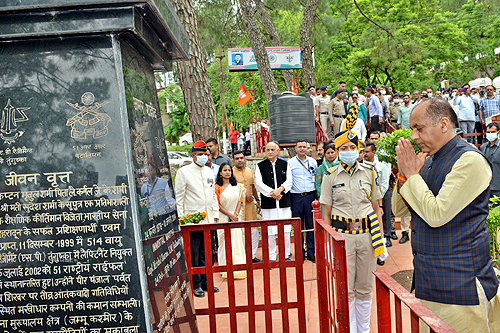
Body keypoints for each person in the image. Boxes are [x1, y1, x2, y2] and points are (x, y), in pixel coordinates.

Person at [392, 98, 500, 333]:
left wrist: (412, 176)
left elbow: (436, 215)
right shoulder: (429, 162)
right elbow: (399, 211)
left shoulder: (469, 160)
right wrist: (404, 176)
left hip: (461, 289)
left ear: (443, 124)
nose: (413, 137)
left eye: (418, 128)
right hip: (428, 284)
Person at [320, 105, 385, 333]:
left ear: (358, 149)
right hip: (343, 238)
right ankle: (349, 328)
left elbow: (377, 208)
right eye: (344, 148)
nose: (348, 150)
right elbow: (325, 213)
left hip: (367, 236)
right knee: (346, 286)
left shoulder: (369, 172)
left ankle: (364, 330)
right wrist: (330, 243)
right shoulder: (329, 176)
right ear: (337, 152)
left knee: (365, 286)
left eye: (352, 147)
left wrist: (381, 240)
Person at [175, 141, 220, 298]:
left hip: (208, 220)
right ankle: (196, 284)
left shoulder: (209, 171)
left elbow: (212, 195)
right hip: (192, 220)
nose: (203, 157)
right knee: (194, 253)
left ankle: (207, 281)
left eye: (205, 154)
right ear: (193, 155)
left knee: (207, 252)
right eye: (200, 155)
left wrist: (215, 215)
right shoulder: (184, 172)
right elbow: (179, 198)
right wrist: (182, 220)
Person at [255, 142, 292, 261]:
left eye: (272, 149)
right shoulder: (260, 165)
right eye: (268, 150)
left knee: (285, 230)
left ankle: (285, 254)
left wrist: (280, 190)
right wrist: (273, 193)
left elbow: (289, 181)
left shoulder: (285, 164)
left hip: (283, 201)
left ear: (277, 151)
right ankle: (271, 255)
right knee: (270, 231)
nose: (270, 152)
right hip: (269, 203)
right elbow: (259, 183)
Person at [215, 163, 247, 279]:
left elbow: (240, 201)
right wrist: (230, 215)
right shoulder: (216, 188)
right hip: (223, 217)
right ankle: (225, 269)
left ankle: (238, 269)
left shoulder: (237, 187)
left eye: (229, 170)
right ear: (220, 173)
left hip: (235, 217)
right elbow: (217, 205)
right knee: (224, 243)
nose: (228, 172)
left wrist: (235, 215)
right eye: (225, 170)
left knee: (236, 242)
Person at [288, 140, 318, 262]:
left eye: (304, 147)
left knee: (311, 225)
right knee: (298, 225)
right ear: (295, 148)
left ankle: (311, 252)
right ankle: (300, 252)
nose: (302, 149)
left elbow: (315, 176)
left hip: (310, 196)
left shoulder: (313, 162)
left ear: (308, 148)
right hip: (296, 197)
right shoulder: (290, 163)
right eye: (299, 147)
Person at [232, 151, 263, 263]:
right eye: (237, 158)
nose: (240, 160)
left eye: (241, 158)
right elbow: (230, 190)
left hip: (250, 206)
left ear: (245, 159)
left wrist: (258, 201)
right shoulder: (231, 173)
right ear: (233, 160)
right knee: (240, 231)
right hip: (237, 207)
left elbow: (253, 187)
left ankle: (252, 256)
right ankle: (242, 257)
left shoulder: (249, 171)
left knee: (254, 231)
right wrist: (244, 194)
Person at [363, 143, 392, 252]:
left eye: (367, 152)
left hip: (382, 194)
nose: (365, 154)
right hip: (369, 198)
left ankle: (387, 236)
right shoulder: (361, 166)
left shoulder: (381, 166)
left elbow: (384, 183)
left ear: (374, 152)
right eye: (364, 152)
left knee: (385, 215)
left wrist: (378, 196)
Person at [480, 122, 500, 199]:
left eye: (493, 132)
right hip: (485, 186)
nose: (490, 134)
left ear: (498, 132)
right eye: (488, 132)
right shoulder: (483, 147)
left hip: (498, 187)